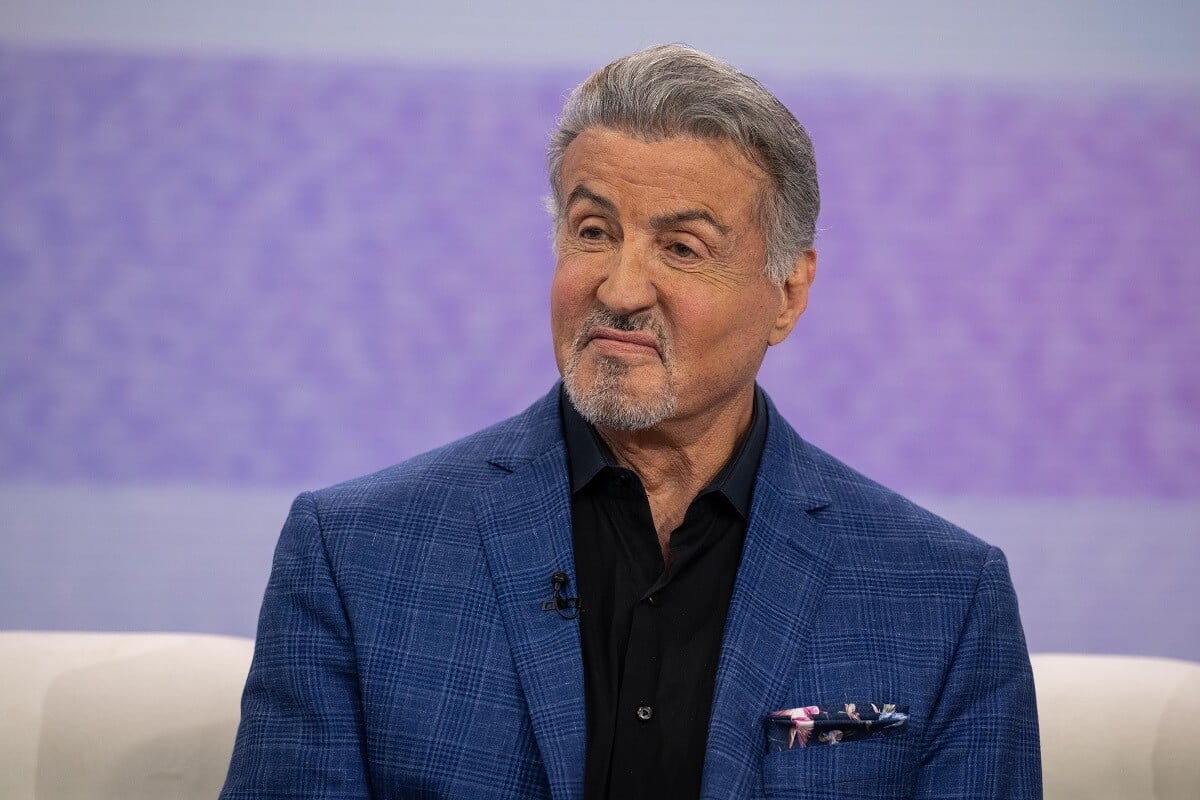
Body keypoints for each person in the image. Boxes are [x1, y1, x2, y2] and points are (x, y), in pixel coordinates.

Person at [221, 44, 1041, 800]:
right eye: (593, 232)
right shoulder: (355, 556)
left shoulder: (942, 596)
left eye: (682, 248)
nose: (619, 288)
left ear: (787, 292)